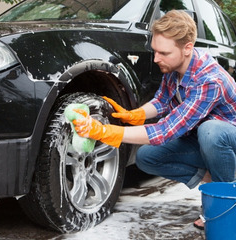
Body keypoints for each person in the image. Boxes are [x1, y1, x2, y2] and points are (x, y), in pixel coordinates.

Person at [72, 10, 236, 230]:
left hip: (226, 141)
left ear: (187, 48)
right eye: (155, 51)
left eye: (163, 53)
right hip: (200, 139)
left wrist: (106, 131)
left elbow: (165, 130)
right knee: (147, 157)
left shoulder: (209, 80)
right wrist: (136, 114)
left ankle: (226, 203)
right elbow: (162, 101)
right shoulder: (175, 65)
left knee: (211, 131)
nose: (157, 58)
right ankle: (213, 181)